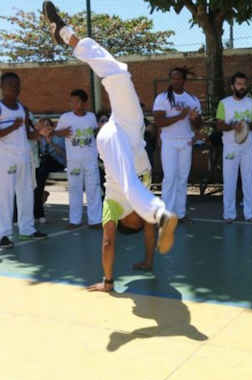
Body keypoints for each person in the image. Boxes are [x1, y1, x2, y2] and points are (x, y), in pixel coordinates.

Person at [41, 1, 177, 291]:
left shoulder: (112, 209)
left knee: (127, 184)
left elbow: (107, 242)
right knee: (117, 74)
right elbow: (144, 235)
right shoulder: (130, 208)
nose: (141, 223)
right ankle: (64, 32)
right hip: (130, 133)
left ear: (128, 222)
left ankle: (162, 213)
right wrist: (147, 262)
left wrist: (108, 282)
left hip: (114, 141)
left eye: (139, 222)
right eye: (145, 221)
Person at [0, 71, 48, 249]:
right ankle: (3, 234)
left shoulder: (23, 109)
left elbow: (27, 134)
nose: (15, 87)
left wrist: (40, 133)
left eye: (17, 84)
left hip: (24, 156)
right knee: (4, 196)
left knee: (26, 193)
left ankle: (27, 228)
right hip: (5, 157)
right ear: (2, 87)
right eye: (11, 84)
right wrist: (12, 126)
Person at [153, 67, 202, 224]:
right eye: (173, 78)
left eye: (179, 78)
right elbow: (159, 121)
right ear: (170, 79)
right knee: (170, 177)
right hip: (169, 142)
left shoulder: (192, 99)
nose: (176, 81)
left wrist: (193, 118)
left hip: (186, 142)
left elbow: (198, 126)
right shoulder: (162, 98)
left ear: (184, 80)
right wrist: (180, 116)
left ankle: (180, 214)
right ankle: (165, 215)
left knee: (182, 178)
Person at [216, 72, 252, 223]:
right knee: (229, 180)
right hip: (230, 147)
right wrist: (233, 126)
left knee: (249, 180)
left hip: (248, 146)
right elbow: (219, 124)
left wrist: (246, 125)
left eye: (244, 84)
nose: (242, 87)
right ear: (232, 86)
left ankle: (250, 214)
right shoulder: (224, 103)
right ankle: (229, 214)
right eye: (239, 84)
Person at [54, 89, 102, 229]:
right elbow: (56, 131)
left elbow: (95, 130)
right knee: (75, 189)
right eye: (71, 101)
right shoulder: (66, 117)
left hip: (90, 159)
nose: (73, 104)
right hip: (74, 160)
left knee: (93, 188)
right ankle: (74, 220)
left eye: (77, 102)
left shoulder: (91, 117)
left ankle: (95, 220)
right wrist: (61, 132)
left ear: (84, 104)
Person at [34, 118, 66, 223]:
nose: (47, 128)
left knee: (41, 173)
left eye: (49, 125)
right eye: (44, 125)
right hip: (44, 164)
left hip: (58, 163)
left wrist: (51, 143)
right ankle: (39, 201)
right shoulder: (40, 139)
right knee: (36, 174)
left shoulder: (58, 137)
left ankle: (39, 207)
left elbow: (64, 154)